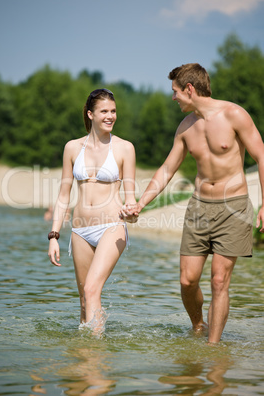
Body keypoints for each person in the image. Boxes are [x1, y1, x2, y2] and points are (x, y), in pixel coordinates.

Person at [121, 63, 264, 343]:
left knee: (219, 280)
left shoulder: (234, 114)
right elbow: (166, 169)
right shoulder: (186, 127)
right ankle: (198, 326)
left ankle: (213, 346)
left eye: (175, 91)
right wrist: (141, 203)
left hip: (233, 207)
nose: (173, 97)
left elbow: (261, 155)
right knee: (188, 281)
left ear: (189, 89)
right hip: (199, 208)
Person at [48, 88, 136, 334]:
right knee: (84, 300)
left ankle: (93, 356)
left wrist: (132, 212)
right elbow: (63, 196)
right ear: (90, 114)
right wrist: (54, 236)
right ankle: (84, 359)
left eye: (114, 111)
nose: (111, 116)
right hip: (80, 230)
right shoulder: (72, 148)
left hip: (112, 226)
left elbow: (130, 198)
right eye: (104, 111)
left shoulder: (125, 148)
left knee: (91, 289)